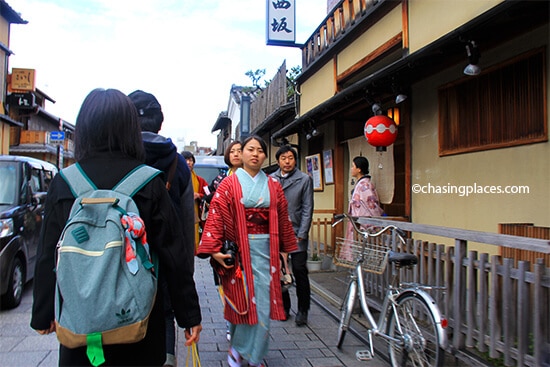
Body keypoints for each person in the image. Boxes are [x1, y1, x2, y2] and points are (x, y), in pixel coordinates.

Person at [30, 88, 202, 366]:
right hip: (139, 328)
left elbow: (49, 251)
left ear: (84, 129)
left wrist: (42, 312)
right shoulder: (149, 182)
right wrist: (189, 315)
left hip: (80, 325)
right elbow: (174, 254)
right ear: (131, 129)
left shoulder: (65, 182)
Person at [197, 135, 297, 367]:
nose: (254, 154)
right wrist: (214, 250)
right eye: (249, 149)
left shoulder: (273, 185)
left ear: (264, 156)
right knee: (240, 303)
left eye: (259, 150)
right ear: (241, 155)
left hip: (266, 251)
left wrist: (284, 252)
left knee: (262, 305)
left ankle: (256, 355)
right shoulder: (229, 184)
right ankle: (238, 350)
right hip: (239, 251)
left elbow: (282, 219)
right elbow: (216, 215)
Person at [128, 89, 196, 367]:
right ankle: (167, 359)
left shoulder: (121, 157)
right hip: (167, 259)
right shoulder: (177, 162)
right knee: (165, 314)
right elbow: (187, 219)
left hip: (126, 257)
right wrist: (185, 274)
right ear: (159, 122)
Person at [271, 145, 314, 326]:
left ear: (295, 160)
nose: (287, 161)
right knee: (281, 271)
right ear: (278, 160)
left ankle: (303, 310)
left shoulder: (304, 179)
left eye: (290, 158)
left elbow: (307, 208)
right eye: (283, 158)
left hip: (296, 233)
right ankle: (284, 308)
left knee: (299, 269)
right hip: (277, 232)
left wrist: (302, 233)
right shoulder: (271, 179)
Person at [341, 156, 384, 260]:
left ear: (359, 169)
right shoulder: (361, 184)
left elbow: (370, 206)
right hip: (357, 222)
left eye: (353, 166)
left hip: (362, 223)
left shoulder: (365, 185)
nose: (351, 169)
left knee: (363, 252)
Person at [181, 150, 208, 250]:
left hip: (195, 218)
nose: (188, 162)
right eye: (185, 160)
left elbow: (209, 195)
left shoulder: (200, 180)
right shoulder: (176, 178)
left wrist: (199, 195)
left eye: (190, 160)